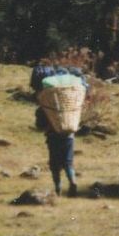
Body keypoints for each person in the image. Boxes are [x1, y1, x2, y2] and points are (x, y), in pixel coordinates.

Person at [32, 64, 84, 196]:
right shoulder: (69, 102)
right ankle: (72, 181)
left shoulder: (45, 107)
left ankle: (58, 189)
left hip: (52, 137)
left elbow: (39, 125)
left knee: (55, 166)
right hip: (69, 136)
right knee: (68, 162)